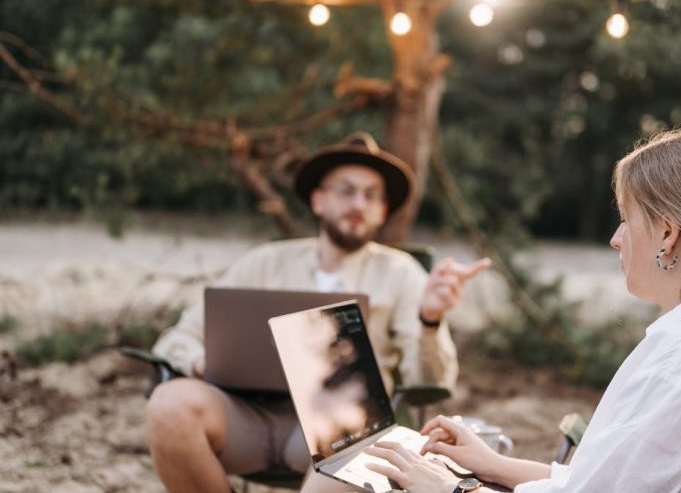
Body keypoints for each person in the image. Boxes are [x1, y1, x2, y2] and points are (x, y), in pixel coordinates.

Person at [364, 124, 681, 493]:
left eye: (625, 219)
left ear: (667, 234)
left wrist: (448, 489)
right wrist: (494, 465)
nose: (616, 238)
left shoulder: (678, 361)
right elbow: (598, 484)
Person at [145, 132, 490, 493]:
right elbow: (177, 338)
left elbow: (432, 380)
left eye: (371, 195)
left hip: (344, 427)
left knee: (357, 449)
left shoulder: (401, 274)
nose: (358, 203)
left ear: (382, 211)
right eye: (346, 191)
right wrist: (201, 362)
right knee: (169, 403)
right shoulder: (264, 263)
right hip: (248, 415)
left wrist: (430, 321)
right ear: (318, 200)